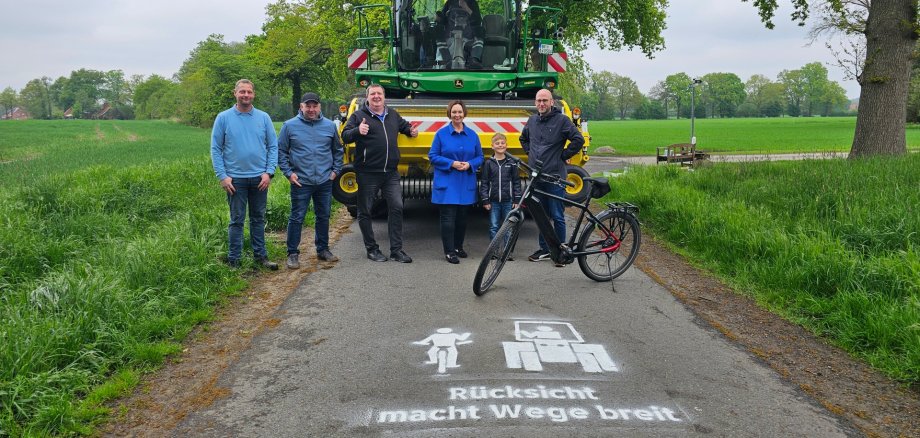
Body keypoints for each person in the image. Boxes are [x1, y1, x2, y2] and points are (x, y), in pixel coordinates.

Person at [341, 84, 419, 263]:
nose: (376, 97)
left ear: (384, 97)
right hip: (367, 172)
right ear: (367, 97)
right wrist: (357, 131)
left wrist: (411, 131)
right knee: (365, 211)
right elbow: (345, 135)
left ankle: (396, 250)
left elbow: (405, 126)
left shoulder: (392, 115)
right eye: (373, 94)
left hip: (390, 173)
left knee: (397, 207)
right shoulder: (359, 116)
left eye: (379, 94)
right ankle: (372, 249)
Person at [210, 79, 279, 270]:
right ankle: (234, 260)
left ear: (253, 94)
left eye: (249, 92)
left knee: (258, 218)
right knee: (237, 220)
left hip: (260, 179)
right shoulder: (223, 118)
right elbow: (216, 148)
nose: (245, 95)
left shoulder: (263, 118)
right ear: (235, 93)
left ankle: (261, 257)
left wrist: (269, 172)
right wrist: (222, 176)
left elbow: (273, 146)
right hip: (235, 180)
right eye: (242, 92)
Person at [278, 92, 344, 269]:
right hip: (301, 181)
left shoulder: (330, 126)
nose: (311, 109)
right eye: (308, 106)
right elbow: (282, 152)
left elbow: (338, 150)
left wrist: (335, 171)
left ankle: (323, 249)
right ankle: (292, 253)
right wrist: (289, 173)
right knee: (297, 217)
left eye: (315, 106)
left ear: (319, 107)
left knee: (323, 216)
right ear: (301, 107)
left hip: (324, 180)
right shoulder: (289, 126)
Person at [519, 88, 584, 266]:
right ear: (535, 103)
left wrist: (562, 156)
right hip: (537, 177)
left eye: (545, 100)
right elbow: (523, 139)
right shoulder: (532, 121)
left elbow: (578, 140)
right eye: (539, 100)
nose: (541, 104)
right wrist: (530, 153)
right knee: (542, 216)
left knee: (557, 215)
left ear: (551, 102)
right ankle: (545, 249)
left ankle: (561, 251)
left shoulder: (562, 120)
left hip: (555, 177)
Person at [428, 100, 484, 264]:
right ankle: (449, 251)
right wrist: (451, 163)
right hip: (447, 180)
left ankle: (459, 247)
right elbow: (433, 156)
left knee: (462, 218)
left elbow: (480, 157)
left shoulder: (473, 135)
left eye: (460, 112)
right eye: (454, 112)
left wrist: (470, 164)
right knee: (448, 217)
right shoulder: (441, 134)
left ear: (464, 114)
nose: (457, 115)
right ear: (449, 114)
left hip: (465, 180)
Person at [479, 132, 521, 259]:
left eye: (502, 143)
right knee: (494, 227)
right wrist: (485, 200)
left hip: (508, 201)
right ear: (492, 146)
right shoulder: (488, 163)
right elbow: (484, 182)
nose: (500, 145)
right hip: (494, 201)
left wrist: (517, 199)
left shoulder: (512, 163)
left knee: (508, 227)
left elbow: (516, 182)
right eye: (497, 143)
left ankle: (507, 252)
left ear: (506, 145)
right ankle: (495, 251)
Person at [435, 0, 484, 68]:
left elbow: (478, 21)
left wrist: (466, 8)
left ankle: (474, 59)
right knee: (438, 30)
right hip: (450, 36)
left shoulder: (472, 2)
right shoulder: (449, 2)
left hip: (467, 38)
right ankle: (447, 60)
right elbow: (442, 20)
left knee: (480, 30)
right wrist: (440, 18)